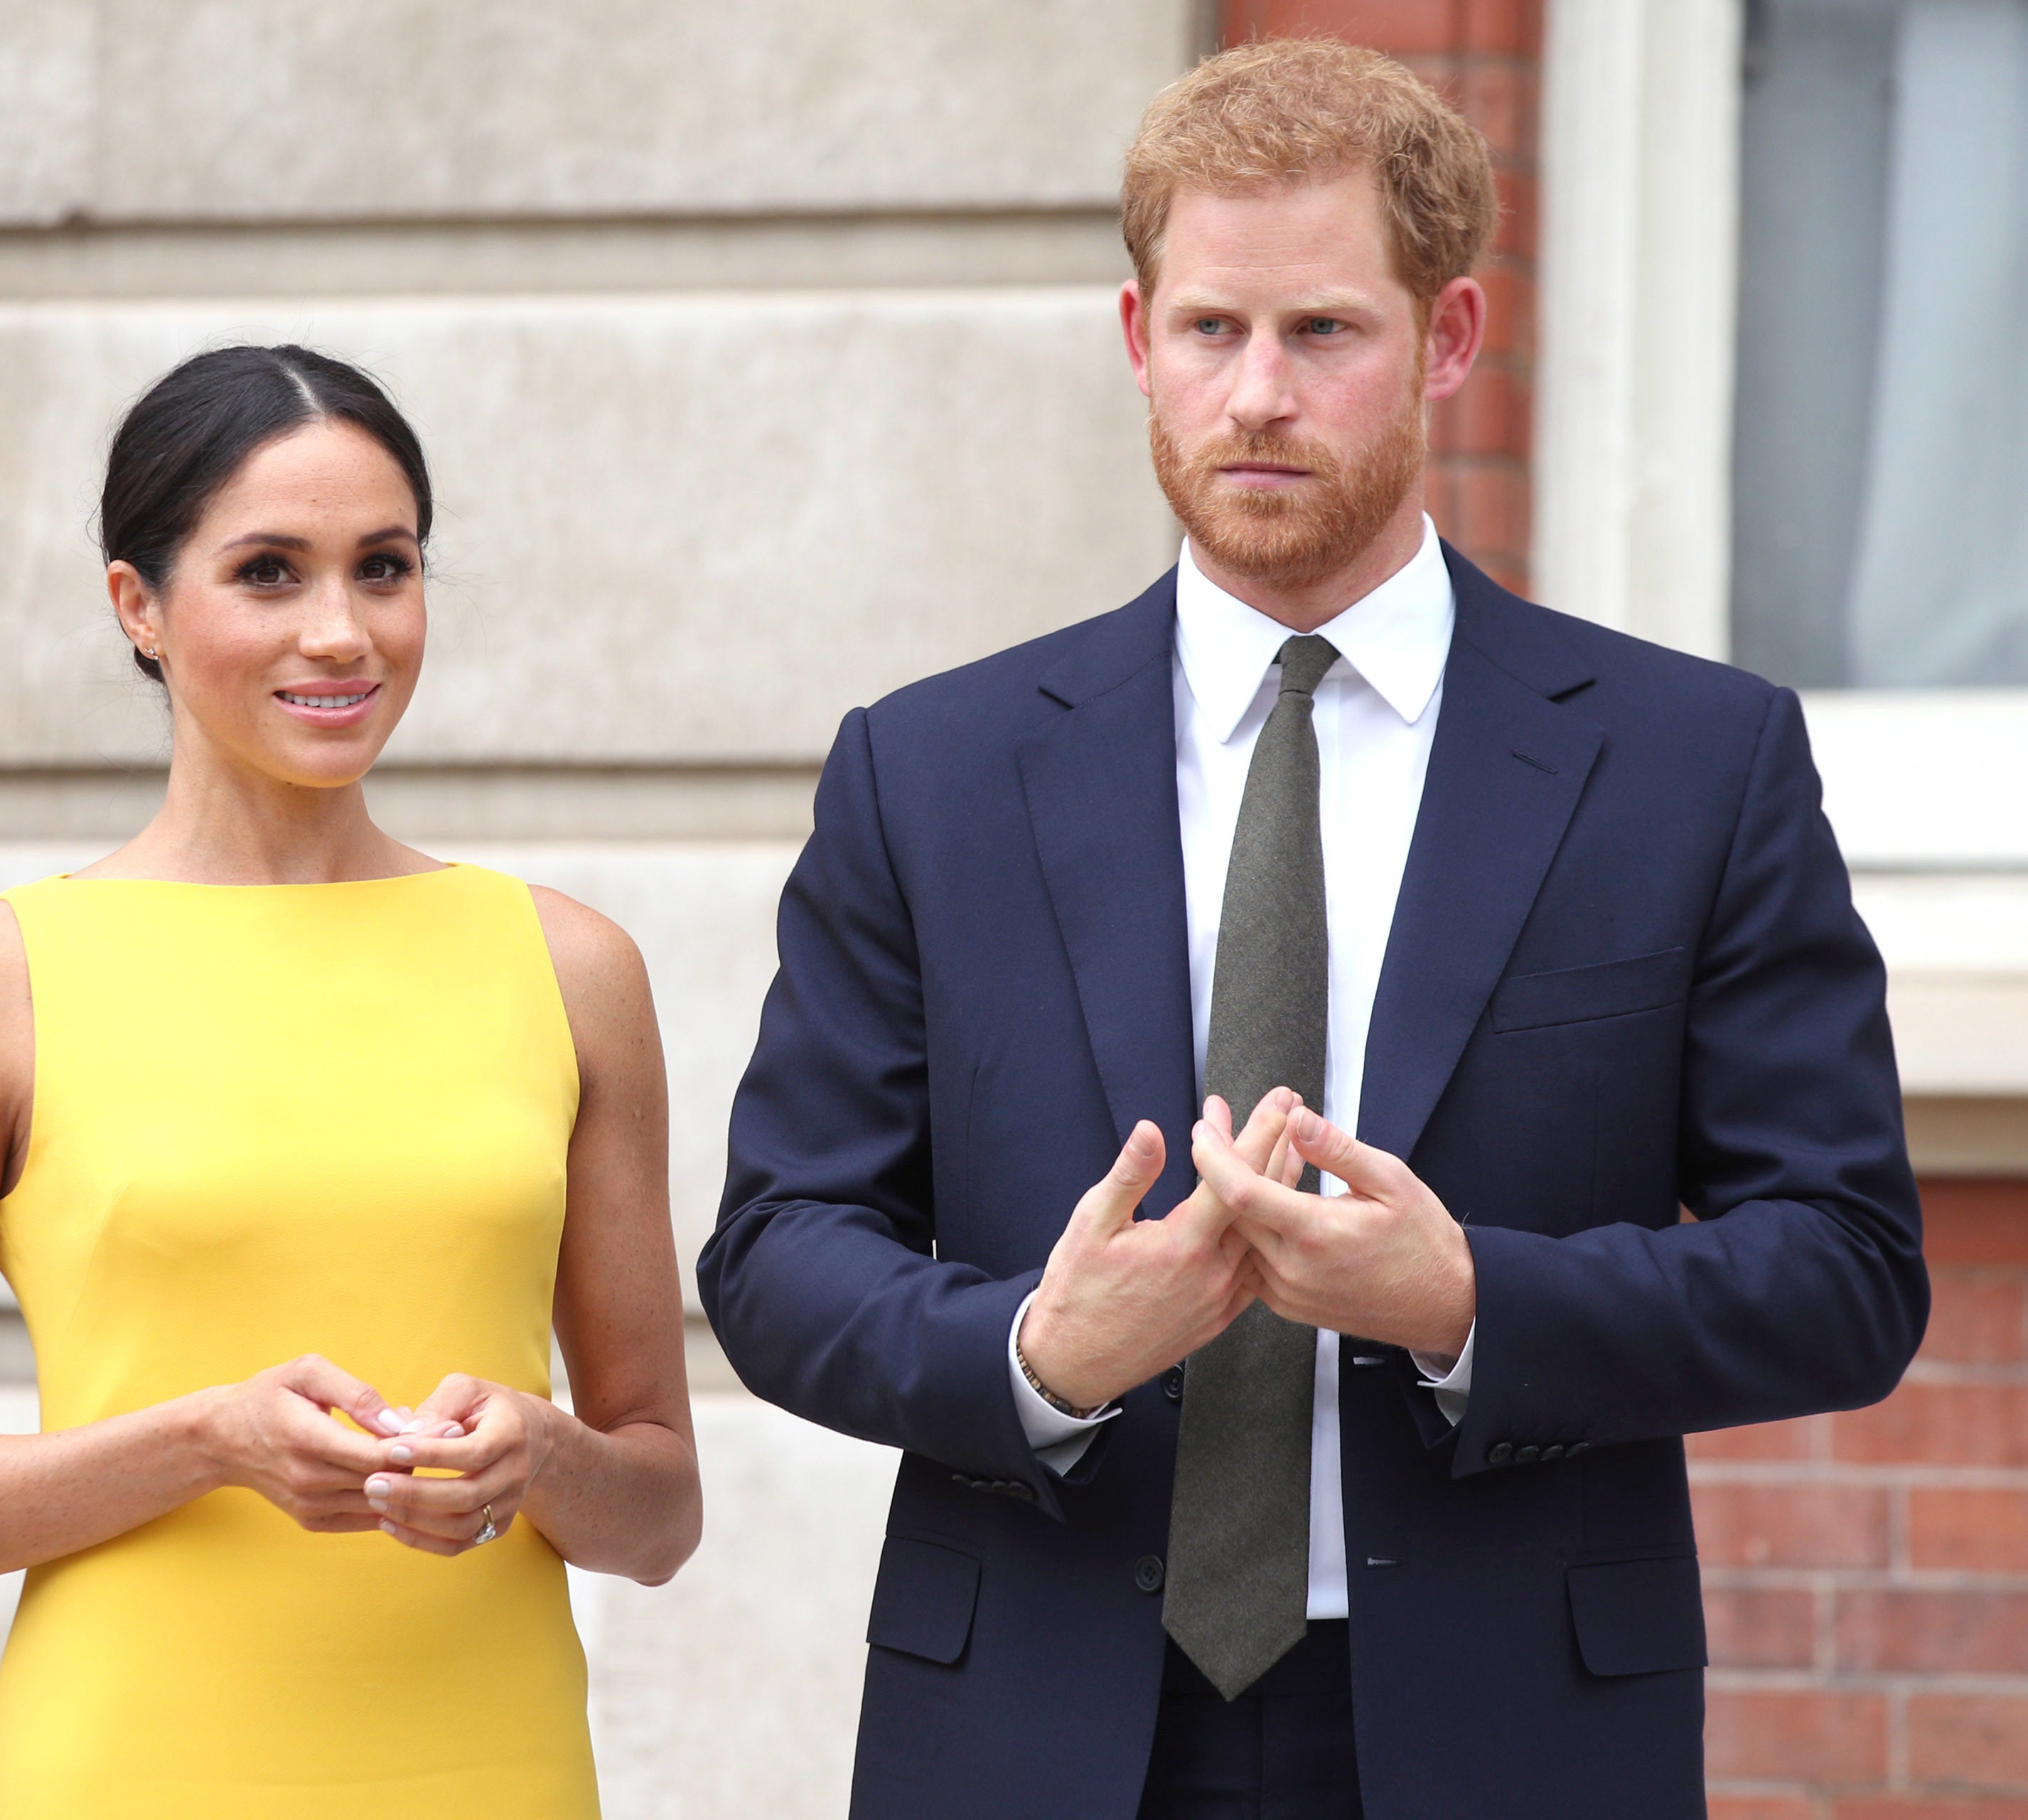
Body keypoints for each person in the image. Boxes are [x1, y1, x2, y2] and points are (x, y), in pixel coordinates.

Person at [700, 41, 1926, 1820]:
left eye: (1323, 333)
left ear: (1443, 338)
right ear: (1139, 339)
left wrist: (1469, 1302)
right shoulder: (933, 769)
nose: (1256, 394)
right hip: (1031, 1723)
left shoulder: (1691, 762)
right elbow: (776, 1250)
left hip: (1513, 1730)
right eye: (1209, 331)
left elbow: (1843, 1264)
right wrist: (1037, 1356)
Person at [0, 344, 699, 1819]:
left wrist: (540, 1455)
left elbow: (658, 1506)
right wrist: (202, 1439)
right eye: (268, 572)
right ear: (136, 605)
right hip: (134, 1767)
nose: (340, 631)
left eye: (381, 567)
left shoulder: (571, 969)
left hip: (492, 1766)